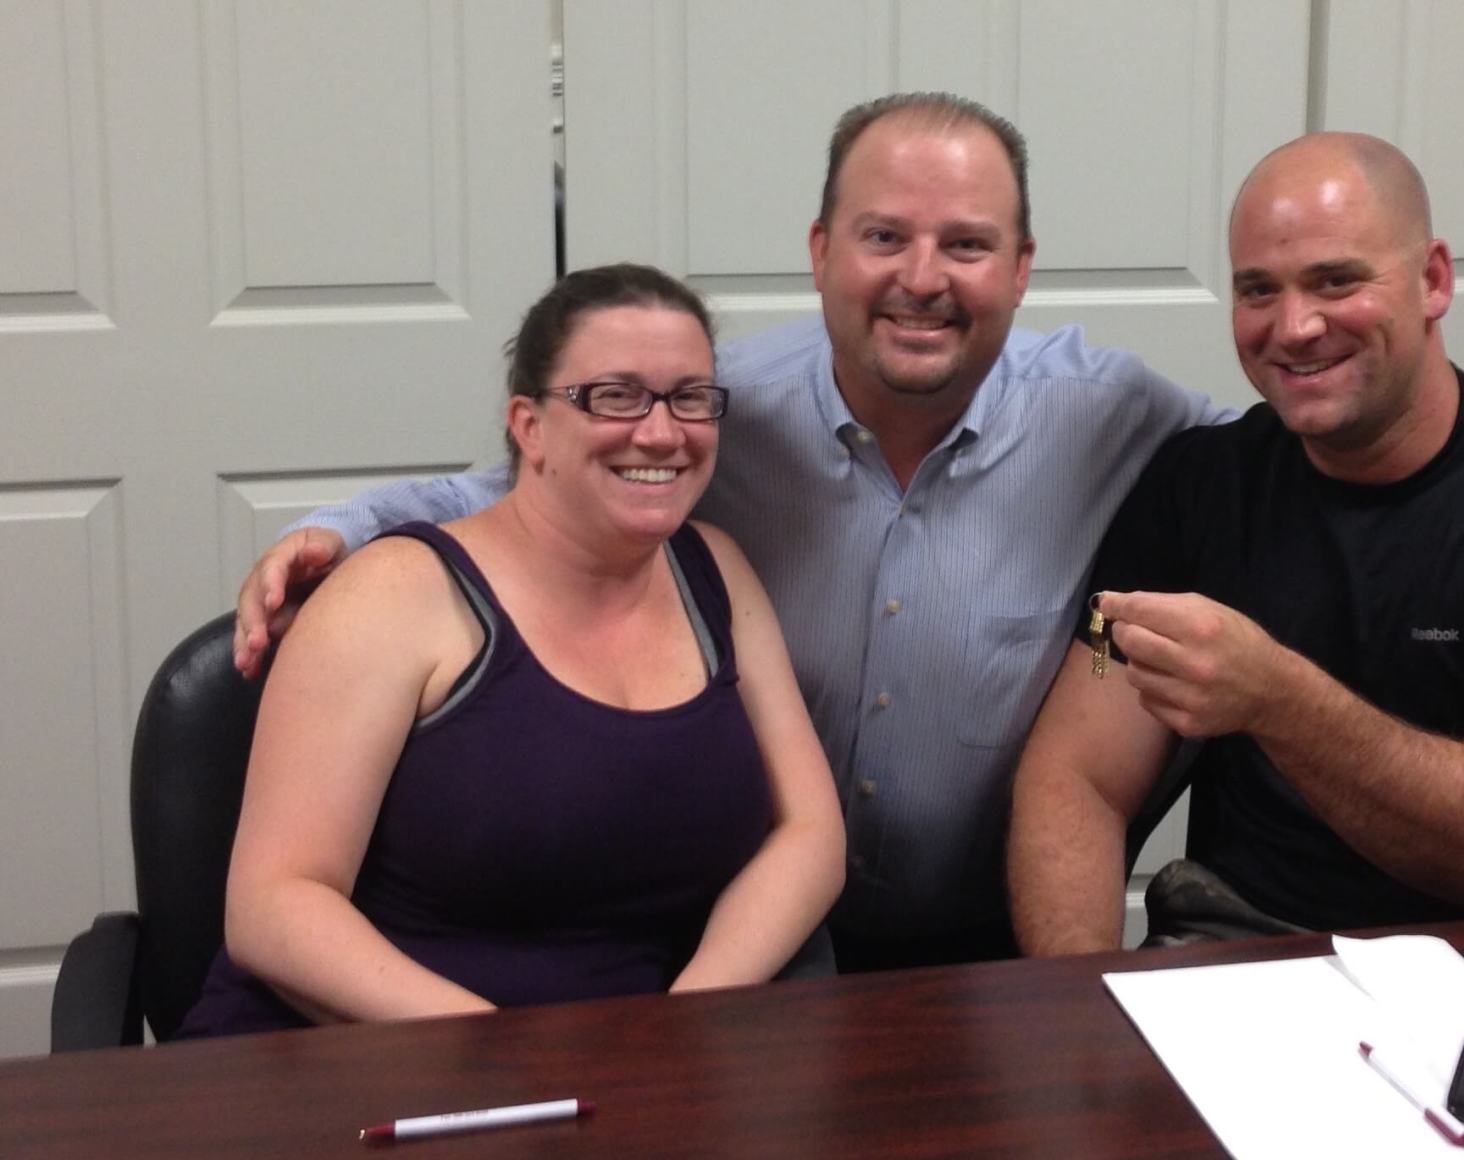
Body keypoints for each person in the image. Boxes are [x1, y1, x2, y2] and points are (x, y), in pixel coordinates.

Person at [226, 94, 1227, 971]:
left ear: (1019, 268)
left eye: (966, 244)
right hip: (760, 938)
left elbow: (1275, 467)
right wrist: (340, 526)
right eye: (883, 237)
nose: (922, 278)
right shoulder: (714, 412)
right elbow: (530, 477)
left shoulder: (1112, 413)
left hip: (992, 935)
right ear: (820, 251)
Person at [1007, 133, 1464, 953]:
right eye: (1257, 290)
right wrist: (1079, 1007)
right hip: (1252, 963)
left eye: (1336, 281)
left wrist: (1278, 699)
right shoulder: (1197, 487)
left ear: (1433, 279)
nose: (1295, 326)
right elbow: (1078, 772)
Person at [180, 264, 844, 1035]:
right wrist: (508, 1059)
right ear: (529, 425)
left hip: (628, 1082)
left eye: (690, 397)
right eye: (615, 395)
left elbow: (811, 832)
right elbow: (271, 906)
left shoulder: (716, 573)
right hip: (357, 1060)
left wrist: (685, 1022)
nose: (662, 432)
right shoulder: (393, 592)